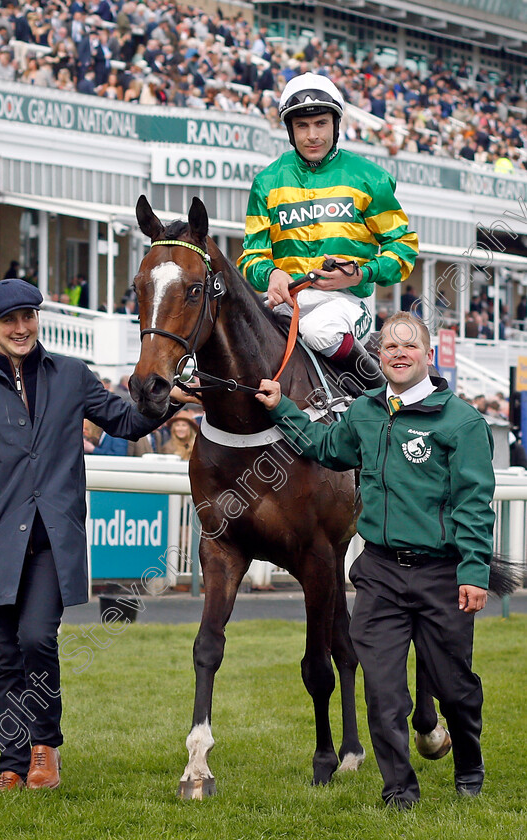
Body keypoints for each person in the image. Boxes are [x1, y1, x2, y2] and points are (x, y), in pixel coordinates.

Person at [0, 279, 190, 792]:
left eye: (28, 317)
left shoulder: (72, 374)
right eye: (9, 321)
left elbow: (126, 423)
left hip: (52, 543)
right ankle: (11, 760)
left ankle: (44, 746)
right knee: (5, 657)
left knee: (37, 639)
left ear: (37, 319)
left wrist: (169, 396)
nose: (21, 328)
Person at [256, 312, 494, 810]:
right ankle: (399, 790)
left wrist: (473, 571)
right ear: (379, 357)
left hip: (441, 575)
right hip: (380, 573)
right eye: (389, 347)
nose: (399, 353)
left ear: (427, 355)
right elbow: (326, 448)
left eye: (409, 345)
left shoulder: (463, 422)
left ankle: (468, 761)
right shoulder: (364, 412)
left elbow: (474, 503)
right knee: (384, 693)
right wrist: (283, 409)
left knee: (453, 687)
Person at [238, 73, 419, 392]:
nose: (312, 135)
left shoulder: (370, 179)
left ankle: (379, 399)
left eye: (320, 124)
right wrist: (271, 274)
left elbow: (402, 250)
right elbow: (251, 257)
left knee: (320, 330)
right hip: (283, 303)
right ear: (290, 131)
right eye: (302, 126)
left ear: (336, 124)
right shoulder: (266, 182)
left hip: (346, 304)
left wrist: (361, 274)